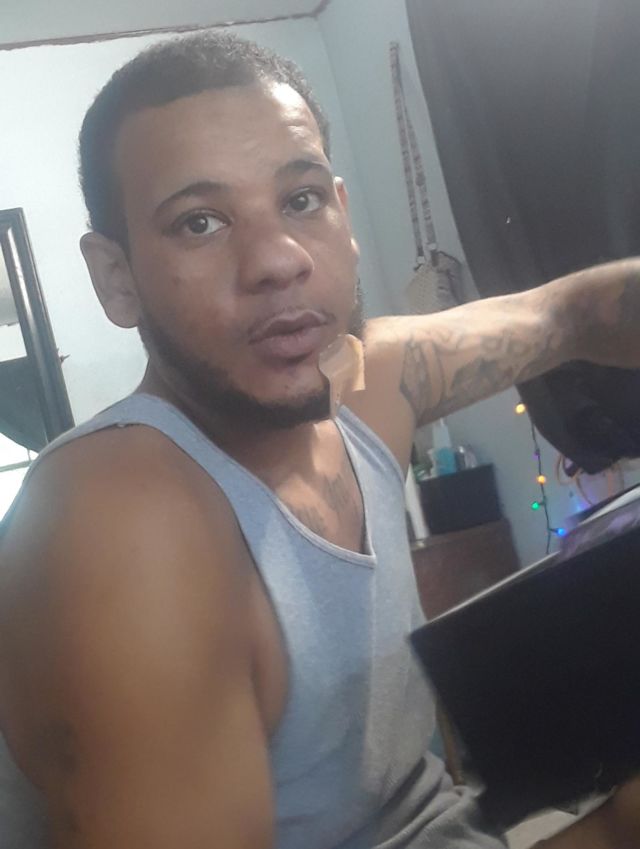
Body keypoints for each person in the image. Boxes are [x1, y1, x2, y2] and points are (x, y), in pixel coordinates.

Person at [1, 31, 639, 849]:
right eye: (200, 222)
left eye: (300, 200)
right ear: (116, 277)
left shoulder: (373, 381)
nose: (277, 259)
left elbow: (572, 312)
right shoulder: (119, 523)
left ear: (343, 212)